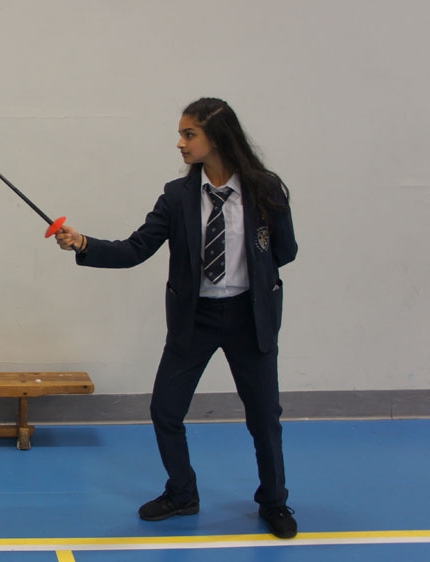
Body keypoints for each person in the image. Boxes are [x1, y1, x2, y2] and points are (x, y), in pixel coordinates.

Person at [55, 97, 299, 539]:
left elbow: (286, 252)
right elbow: (135, 249)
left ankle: (275, 501)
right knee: (165, 409)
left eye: (189, 135)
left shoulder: (265, 188)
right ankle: (182, 492)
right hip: (195, 317)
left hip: (250, 317)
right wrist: (84, 242)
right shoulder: (177, 195)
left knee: (264, 415)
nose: (180, 144)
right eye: (182, 134)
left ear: (217, 138)